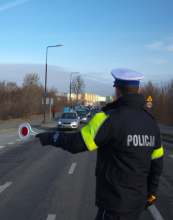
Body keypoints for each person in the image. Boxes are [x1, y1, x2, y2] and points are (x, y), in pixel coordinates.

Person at [36, 68, 163, 220]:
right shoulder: (151, 123)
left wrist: (50, 137)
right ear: (139, 89)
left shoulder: (109, 119)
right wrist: (151, 193)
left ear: (117, 91)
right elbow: (157, 164)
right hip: (137, 204)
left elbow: (77, 143)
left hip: (114, 205)